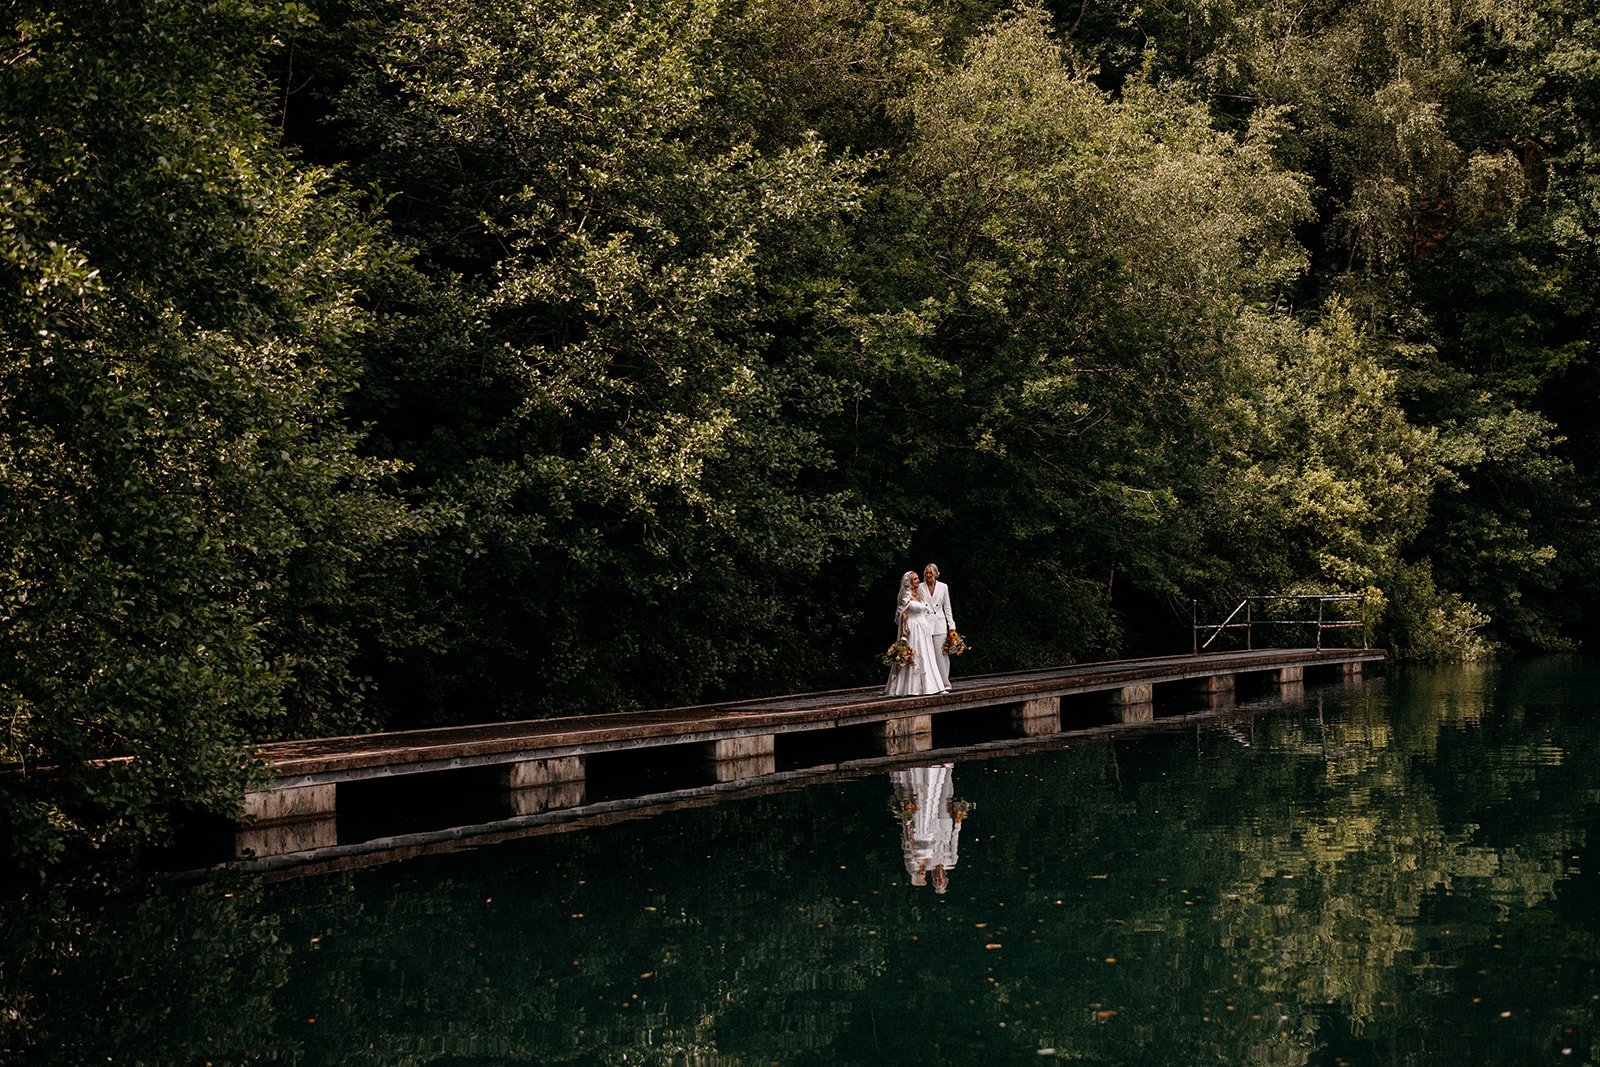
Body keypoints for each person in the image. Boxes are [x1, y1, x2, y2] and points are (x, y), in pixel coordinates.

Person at [884, 571, 943, 697]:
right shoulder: (906, 596)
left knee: (926, 655)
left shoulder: (919, 594)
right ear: (909, 582)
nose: (918, 581)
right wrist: (903, 631)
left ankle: (930, 685)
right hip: (913, 628)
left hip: (923, 628)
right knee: (915, 655)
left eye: (917, 579)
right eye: (915, 579)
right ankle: (912, 687)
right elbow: (903, 615)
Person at [923, 563, 956, 693]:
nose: (928, 575)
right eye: (927, 572)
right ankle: (930, 684)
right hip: (925, 623)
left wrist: (951, 625)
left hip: (940, 623)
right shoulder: (920, 587)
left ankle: (944, 682)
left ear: (937, 574)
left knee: (941, 655)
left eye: (931, 572)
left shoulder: (943, 587)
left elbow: (947, 607)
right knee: (927, 655)